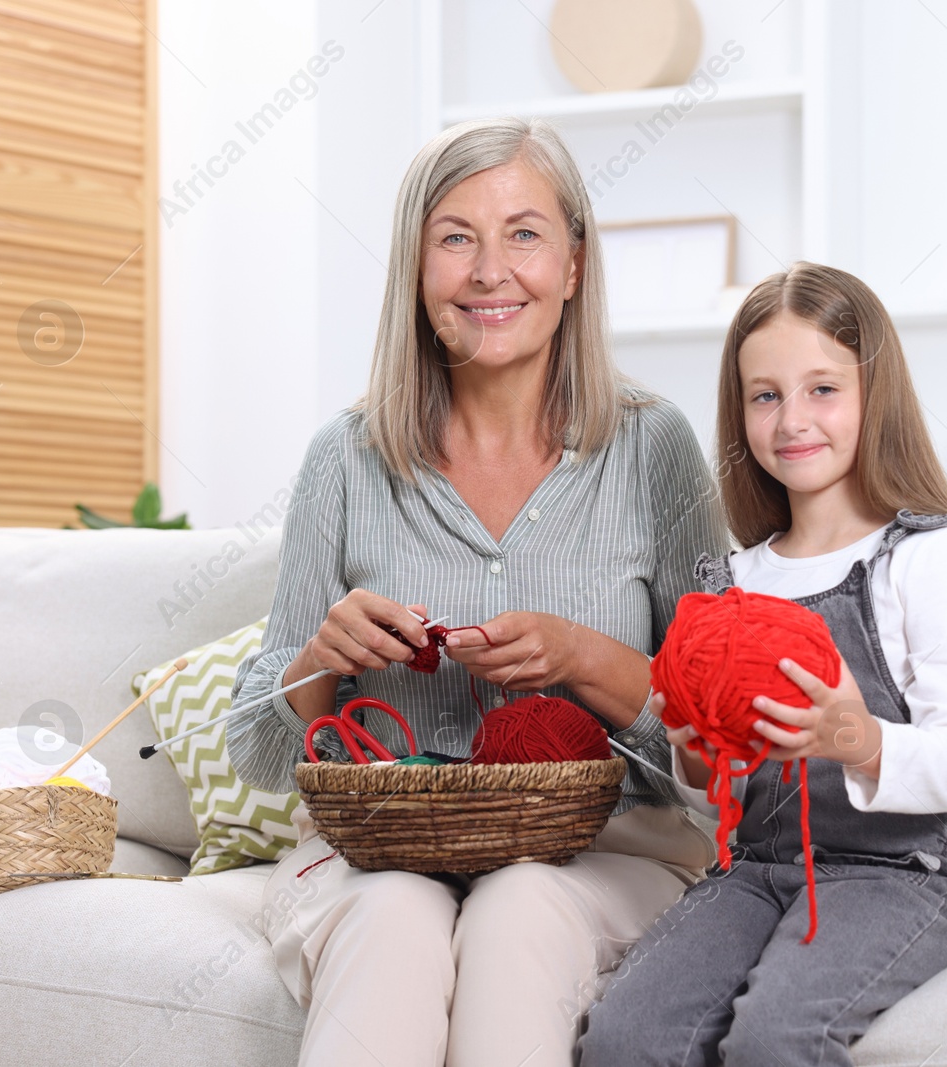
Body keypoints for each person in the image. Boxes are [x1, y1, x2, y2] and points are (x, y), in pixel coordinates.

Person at [224, 116, 726, 1067]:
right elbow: (256, 746)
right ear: (417, 272)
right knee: (395, 922)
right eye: (456, 237)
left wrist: (584, 659)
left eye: (525, 234)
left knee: (519, 907)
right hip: (382, 851)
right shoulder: (344, 458)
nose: (490, 270)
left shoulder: (658, 450)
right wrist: (320, 660)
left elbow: (720, 748)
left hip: (603, 851)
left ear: (574, 265)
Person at [577, 262, 947, 1066]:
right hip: (758, 867)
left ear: (873, 395)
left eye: (823, 388)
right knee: (627, 1034)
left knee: (778, 1035)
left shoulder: (929, 558)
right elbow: (714, 791)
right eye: (765, 394)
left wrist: (852, 733)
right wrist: (692, 749)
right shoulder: (735, 579)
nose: (793, 419)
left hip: (906, 874)